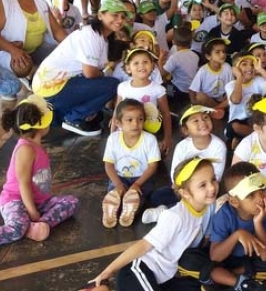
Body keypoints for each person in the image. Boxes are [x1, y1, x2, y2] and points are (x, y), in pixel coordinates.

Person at [83, 157, 218, 291]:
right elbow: (144, 245)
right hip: (138, 271)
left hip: (163, 278)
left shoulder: (207, 208)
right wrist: (109, 271)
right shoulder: (176, 216)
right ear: (185, 193)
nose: (212, 187)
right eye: (203, 185)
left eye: (213, 179)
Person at [0, 96, 79, 255]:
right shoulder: (26, 150)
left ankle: (38, 226)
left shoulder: (36, 145)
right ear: (41, 124)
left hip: (38, 201)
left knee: (71, 202)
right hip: (15, 200)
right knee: (16, 229)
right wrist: (32, 212)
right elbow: (23, 184)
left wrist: (36, 211)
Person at [31, 0, 128, 137]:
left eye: (123, 17)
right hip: (50, 88)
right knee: (113, 85)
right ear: (100, 15)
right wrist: (103, 75)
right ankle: (73, 118)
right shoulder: (91, 35)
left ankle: (67, 114)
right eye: (115, 15)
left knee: (98, 115)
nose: (120, 20)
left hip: (60, 84)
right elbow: (89, 73)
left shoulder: (103, 38)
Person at [209, 162, 266, 290]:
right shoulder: (224, 215)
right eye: (250, 195)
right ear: (234, 201)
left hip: (252, 260)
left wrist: (258, 223)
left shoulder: (265, 212)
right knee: (209, 268)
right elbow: (215, 256)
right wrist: (238, 235)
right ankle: (244, 280)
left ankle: (234, 278)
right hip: (228, 260)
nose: (260, 199)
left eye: (261, 190)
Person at [102, 99, 161, 229]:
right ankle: (112, 207)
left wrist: (137, 184)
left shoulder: (150, 139)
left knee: (138, 196)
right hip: (120, 177)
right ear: (118, 123)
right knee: (115, 192)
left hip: (142, 178)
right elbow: (109, 165)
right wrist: (118, 184)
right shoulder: (113, 139)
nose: (135, 124)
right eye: (129, 120)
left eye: (140, 119)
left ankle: (130, 206)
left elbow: (153, 166)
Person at [115, 47, 173, 154]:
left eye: (145, 62)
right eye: (136, 63)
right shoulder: (123, 87)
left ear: (152, 66)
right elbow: (117, 111)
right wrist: (112, 134)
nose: (141, 65)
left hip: (149, 132)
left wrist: (167, 138)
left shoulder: (158, 89)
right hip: (126, 132)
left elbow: (165, 113)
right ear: (128, 68)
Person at [226, 53, 266, 146]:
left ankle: (247, 138)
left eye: (252, 64)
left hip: (256, 118)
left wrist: (261, 70)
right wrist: (239, 77)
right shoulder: (231, 85)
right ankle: (261, 135)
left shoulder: (258, 80)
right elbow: (236, 100)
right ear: (235, 69)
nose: (249, 67)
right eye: (244, 64)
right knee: (234, 126)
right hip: (240, 121)